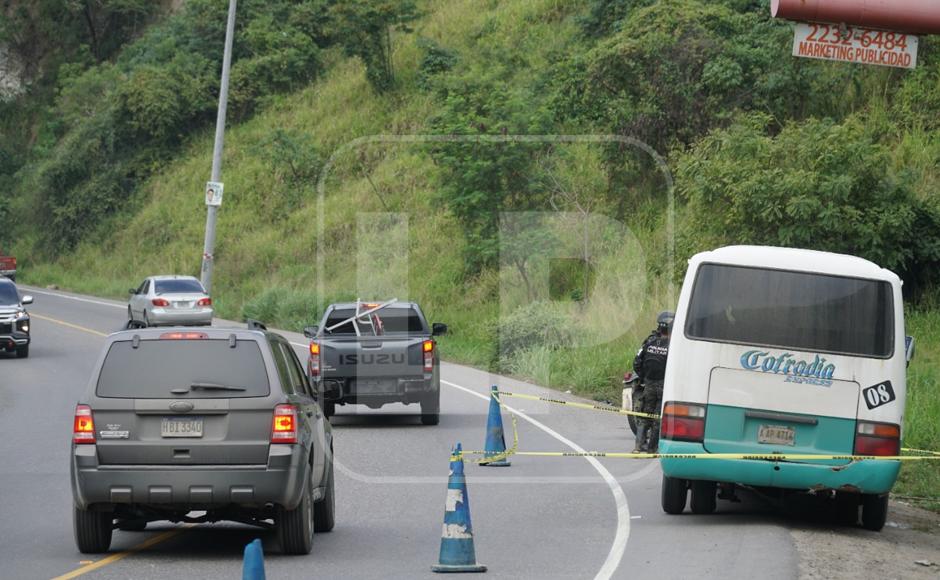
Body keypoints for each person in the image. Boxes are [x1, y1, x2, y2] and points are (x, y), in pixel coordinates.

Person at [632, 311, 673, 453]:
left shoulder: (649, 342)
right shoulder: (673, 346)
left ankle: (638, 447)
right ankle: (652, 449)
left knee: (644, 415)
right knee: (657, 418)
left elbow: (637, 362)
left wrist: (644, 378)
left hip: (648, 384)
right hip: (664, 386)